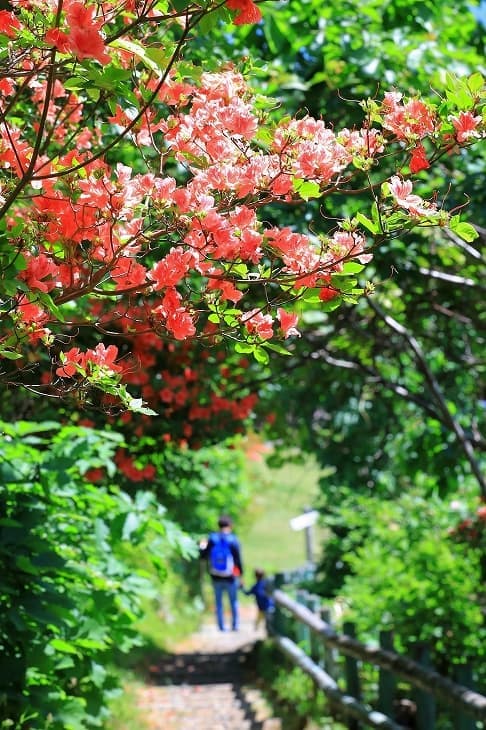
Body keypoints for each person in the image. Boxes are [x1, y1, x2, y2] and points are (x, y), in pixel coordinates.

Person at [199, 515, 243, 632]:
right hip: (230, 577)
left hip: (215, 576)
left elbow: (203, 556)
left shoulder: (212, 539)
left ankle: (221, 626)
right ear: (230, 526)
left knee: (218, 603)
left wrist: (202, 546)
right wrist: (241, 575)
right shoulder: (233, 540)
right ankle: (235, 625)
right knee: (233, 601)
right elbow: (238, 560)